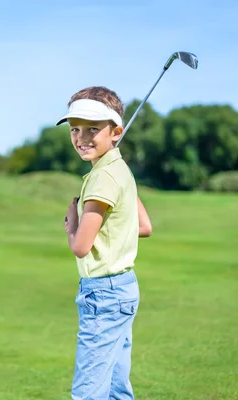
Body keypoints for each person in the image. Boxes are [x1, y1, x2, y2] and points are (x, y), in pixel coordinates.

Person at [57, 86, 152, 399]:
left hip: (103, 295)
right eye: (75, 129)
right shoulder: (118, 170)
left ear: (116, 132)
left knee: (88, 392)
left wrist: (73, 219)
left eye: (93, 129)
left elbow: (80, 246)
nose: (82, 137)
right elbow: (143, 226)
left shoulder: (104, 177)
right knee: (115, 389)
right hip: (124, 289)